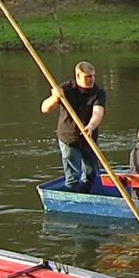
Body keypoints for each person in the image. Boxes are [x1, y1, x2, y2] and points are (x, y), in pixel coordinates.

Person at [41, 61, 106, 193]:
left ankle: (87, 196)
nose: (91, 79)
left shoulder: (98, 92)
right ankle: (73, 201)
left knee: (92, 173)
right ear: (78, 76)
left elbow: (98, 112)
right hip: (68, 138)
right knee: (73, 176)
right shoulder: (66, 89)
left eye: (93, 76)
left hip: (89, 137)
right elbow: (45, 109)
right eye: (88, 76)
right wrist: (55, 98)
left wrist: (91, 126)